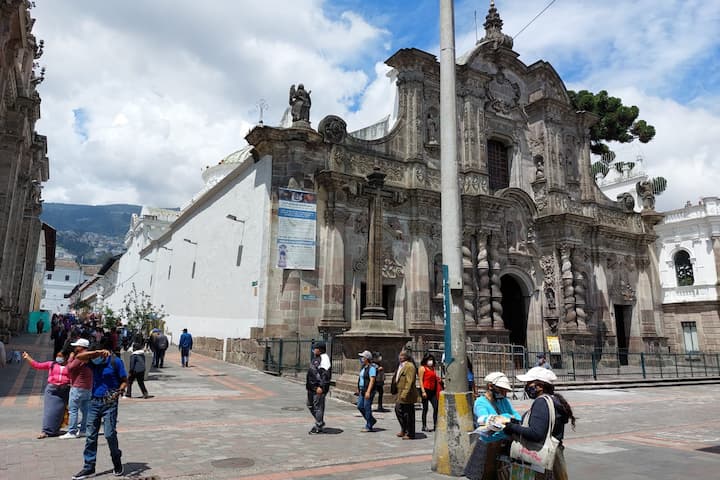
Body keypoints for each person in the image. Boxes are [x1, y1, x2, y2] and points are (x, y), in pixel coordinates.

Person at [497, 367, 575, 480]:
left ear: (540, 386)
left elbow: (536, 434)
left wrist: (511, 427)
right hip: (553, 460)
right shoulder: (553, 400)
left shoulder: (541, 403)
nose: (527, 386)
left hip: (538, 463)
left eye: (529, 383)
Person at [71, 346, 128, 479]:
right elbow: (78, 357)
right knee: (90, 435)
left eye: (96, 356)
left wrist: (119, 392)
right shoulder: (92, 362)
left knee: (109, 434)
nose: (93, 359)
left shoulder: (115, 362)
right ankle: (89, 467)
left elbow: (125, 381)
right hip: (94, 402)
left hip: (110, 403)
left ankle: (116, 460)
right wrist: (95, 353)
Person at [464, 372, 521, 480]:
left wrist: (504, 418)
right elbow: (485, 419)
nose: (504, 394)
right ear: (490, 386)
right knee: (486, 474)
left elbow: (517, 417)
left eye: (506, 391)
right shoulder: (480, 402)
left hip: (504, 442)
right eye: (501, 390)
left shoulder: (503, 401)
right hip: (488, 444)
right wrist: (507, 417)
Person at [22, 350, 72, 438]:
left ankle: (55, 430)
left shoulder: (70, 366)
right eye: (58, 356)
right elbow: (37, 365)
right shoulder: (51, 364)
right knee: (49, 411)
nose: (58, 358)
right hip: (52, 391)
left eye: (61, 356)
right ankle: (45, 431)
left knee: (60, 412)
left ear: (66, 357)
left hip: (64, 391)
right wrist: (27, 357)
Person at [60, 338, 93, 439]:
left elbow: (69, 368)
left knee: (73, 409)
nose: (75, 348)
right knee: (85, 410)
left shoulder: (80, 357)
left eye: (77, 346)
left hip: (78, 386)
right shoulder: (90, 356)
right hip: (88, 386)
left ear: (82, 347)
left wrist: (70, 358)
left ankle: (72, 431)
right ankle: (83, 430)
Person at [306, 341, 331, 434]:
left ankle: (318, 425)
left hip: (318, 388)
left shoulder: (324, 359)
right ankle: (319, 421)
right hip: (311, 388)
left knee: (318, 407)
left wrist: (321, 386)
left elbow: (325, 374)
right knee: (310, 405)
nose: (313, 350)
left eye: (315, 348)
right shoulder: (316, 358)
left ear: (320, 350)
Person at [393, 350, 418, 440]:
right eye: (400, 355)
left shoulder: (409, 366)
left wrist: (405, 393)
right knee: (398, 410)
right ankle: (404, 429)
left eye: (402, 355)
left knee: (408, 414)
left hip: (407, 394)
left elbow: (409, 381)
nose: (400, 357)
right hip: (399, 393)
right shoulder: (401, 365)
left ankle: (410, 433)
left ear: (406, 356)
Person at [357, 350, 377, 432]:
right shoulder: (363, 368)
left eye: (363, 357)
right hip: (362, 390)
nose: (361, 358)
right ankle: (371, 420)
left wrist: (368, 391)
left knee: (367, 407)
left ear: (367, 358)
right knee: (360, 406)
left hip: (368, 390)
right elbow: (361, 379)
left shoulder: (372, 368)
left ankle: (369, 426)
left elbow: (372, 380)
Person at [419, 353, 440, 432]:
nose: (430, 361)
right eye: (429, 359)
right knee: (425, 408)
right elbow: (420, 380)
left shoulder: (432, 368)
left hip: (433, 390)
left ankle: (435, 425)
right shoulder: (422, 368)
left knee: (436, 407)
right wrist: (423, 391)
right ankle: (424, 426)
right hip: (425, 390)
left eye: (431, 359)